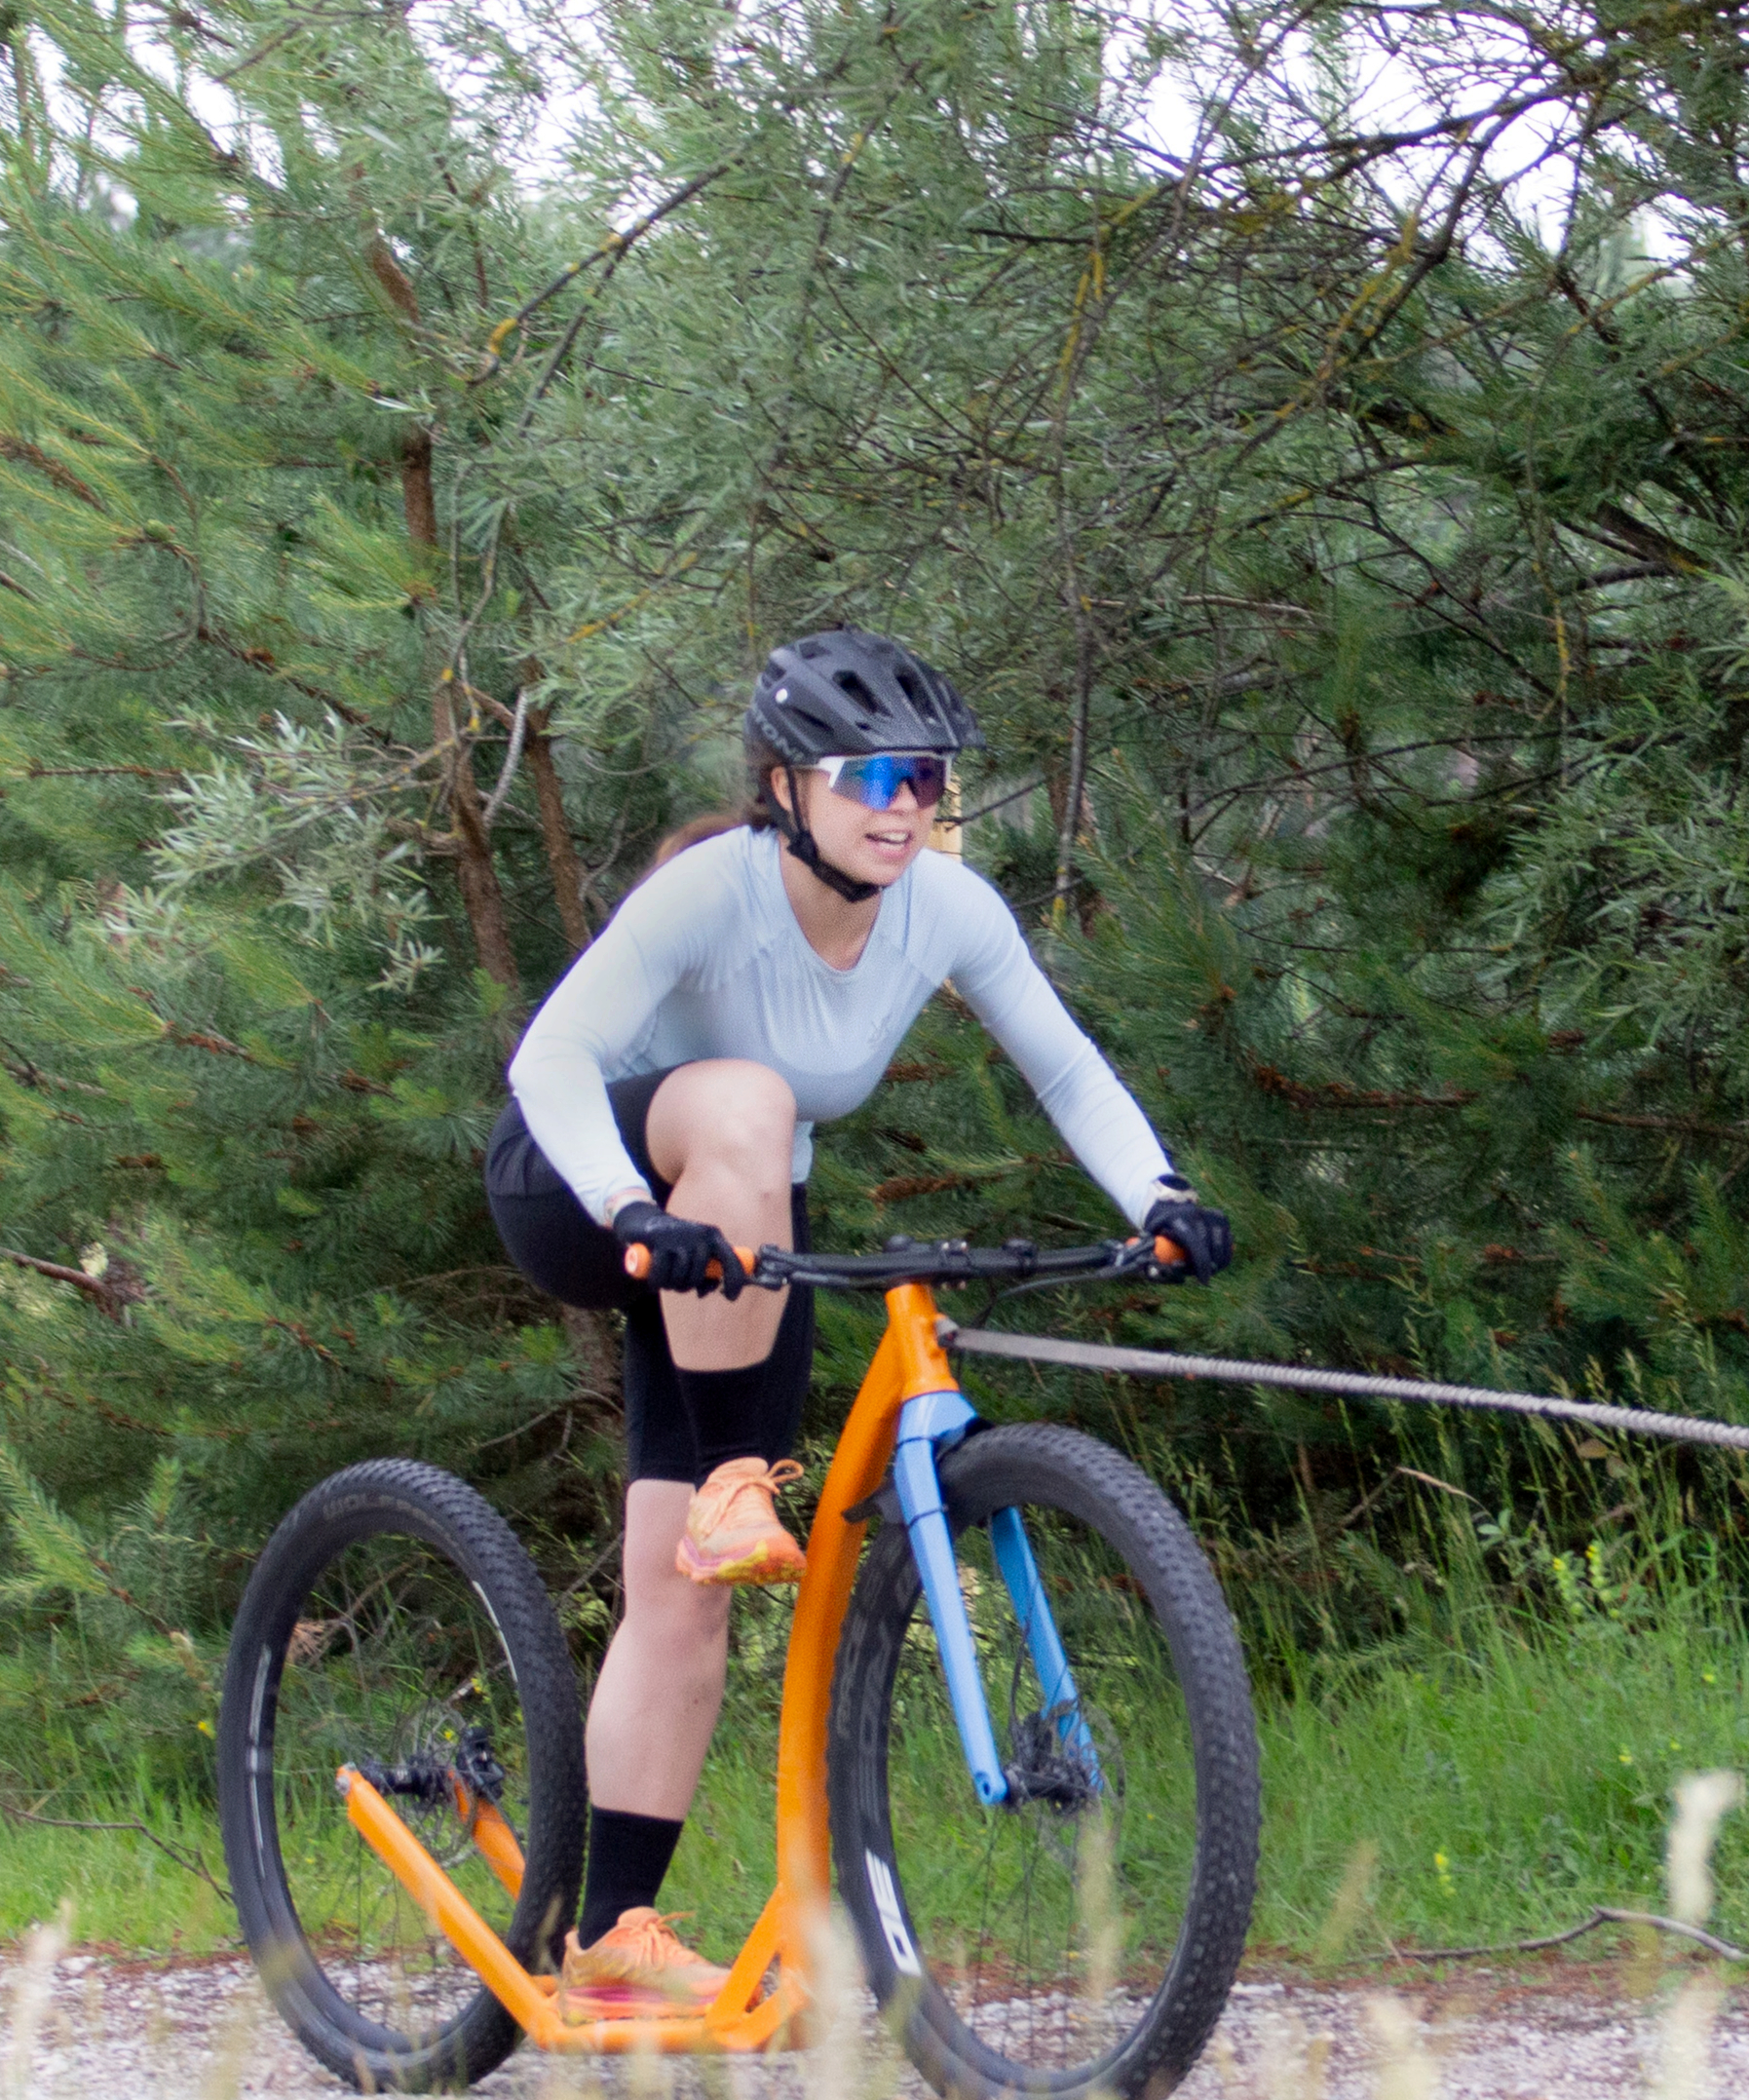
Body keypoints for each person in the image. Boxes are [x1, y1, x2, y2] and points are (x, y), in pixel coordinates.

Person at [483, 626, 1235, 2014]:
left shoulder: (946, 910)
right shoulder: (713, 892)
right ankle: (728, 1478)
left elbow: (1067, 1069)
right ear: (786, 788)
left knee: (681, 1595)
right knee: (753, 1104)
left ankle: (610, 1941)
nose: (906, 806)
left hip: (739, 1220)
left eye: (929, 779)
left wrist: (1162, 1192)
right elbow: (553, 1059)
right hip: (579, 1180)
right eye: (874, 775)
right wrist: (628, 1209)